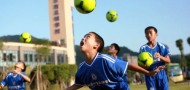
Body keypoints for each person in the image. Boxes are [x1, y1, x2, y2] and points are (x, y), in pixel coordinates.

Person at [67, 32, 164, 90]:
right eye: (83, 36)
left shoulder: (104, 60)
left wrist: (148, 73)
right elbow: (78, 84)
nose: (83, 38)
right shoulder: (82, 68)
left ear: (96, 45)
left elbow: (128, 65)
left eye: (87, 36)